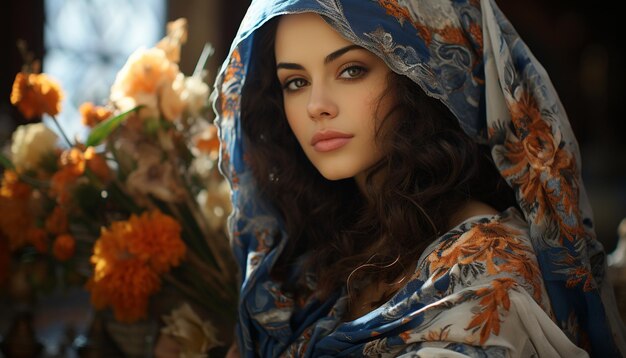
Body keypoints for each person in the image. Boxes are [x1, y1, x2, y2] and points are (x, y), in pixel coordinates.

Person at [212, 0, 626, 356]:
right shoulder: (313, 254)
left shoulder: (489, 270)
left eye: (351, 70)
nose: (316, 106)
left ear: (421, 75)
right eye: (296, 82)